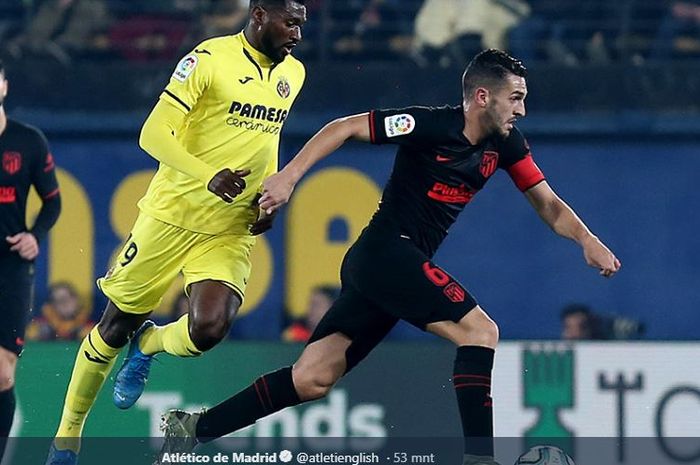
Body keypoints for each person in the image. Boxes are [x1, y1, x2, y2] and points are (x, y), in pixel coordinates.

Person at [156, 49, 621, 465]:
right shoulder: (431, 125)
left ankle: (192, 429)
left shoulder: (507, 144)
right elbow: (344, 128)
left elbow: (548, 203)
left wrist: (586, 239)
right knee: (480, 331)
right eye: (515, 98)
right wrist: (290, 177)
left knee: (313, 378)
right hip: (385, 254)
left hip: (386, 267)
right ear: (483, 96)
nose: (521, 109)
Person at [45, 1, 307, 463]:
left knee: (210, 328)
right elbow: (153, 134)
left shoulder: (294, 75)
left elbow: (265, 143)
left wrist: (268, 196)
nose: (298, 34)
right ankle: (67, 436)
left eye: (303, 24)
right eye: (290, 22)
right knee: (113, 326)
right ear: (260, 15)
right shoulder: (207, 60)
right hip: (172, 215)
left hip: (229, 226)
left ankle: (149, 343)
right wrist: (207, 174)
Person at [0, 59, 61, 461]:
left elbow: (52, 203)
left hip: (10, 267)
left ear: (4, 86)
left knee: (3, 373)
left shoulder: (29, 141)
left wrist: (35, 237)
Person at [26, 282, 94, 341]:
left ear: (75, 299)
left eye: (65, 299)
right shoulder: (40, 327)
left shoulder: (91, 327)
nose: (63, 304)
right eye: (57, 301)